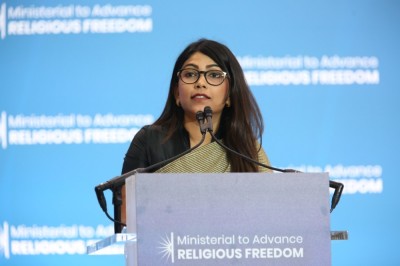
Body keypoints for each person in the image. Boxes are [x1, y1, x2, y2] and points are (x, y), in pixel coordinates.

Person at [118, 38, 271, 228]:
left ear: (229, 95)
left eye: (214, 75)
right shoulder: (149, 141)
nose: (200, 83)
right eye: (190, 74)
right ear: (176, 93)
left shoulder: (248, 152)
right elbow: (125, 215)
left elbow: (268, 218)